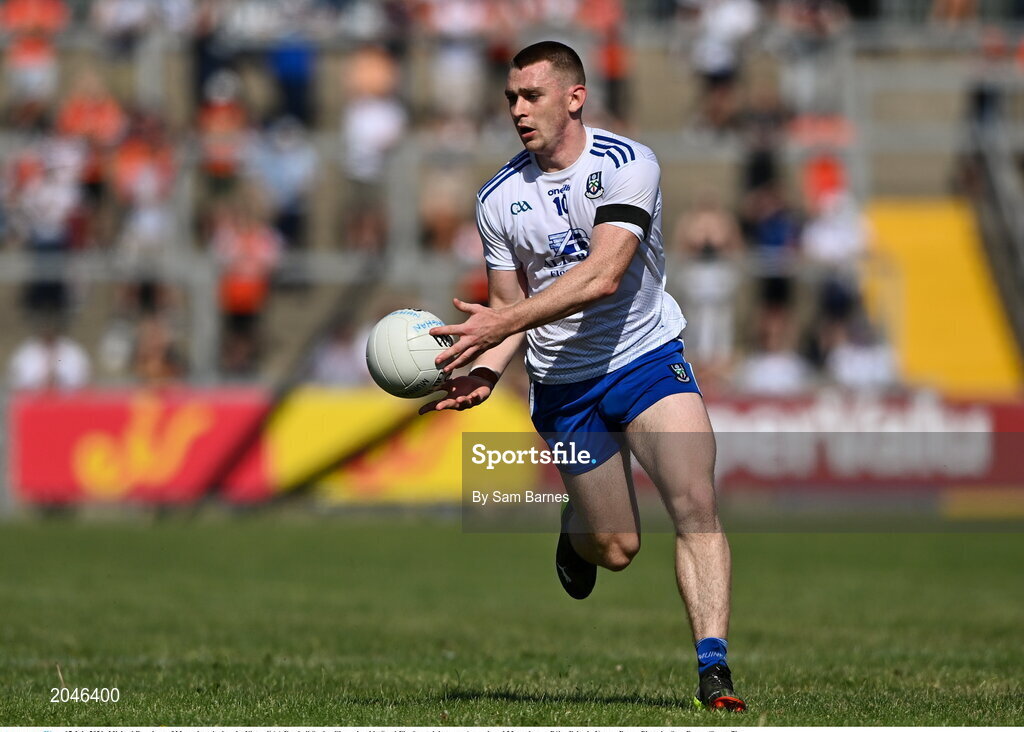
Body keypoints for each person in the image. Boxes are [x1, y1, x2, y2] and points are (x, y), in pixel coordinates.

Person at [420, 41, 746, 712]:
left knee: (695, 502)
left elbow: (604, 277)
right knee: (617, 546)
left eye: (531, 95)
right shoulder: (497, 198)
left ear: (575, 98)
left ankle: (714, 673)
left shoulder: (630, 164)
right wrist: (485, 369)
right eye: (510, 96)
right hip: (565, 384)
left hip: (647, 358)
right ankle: (578, 532)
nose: (516, 108)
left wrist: (497, 329)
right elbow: (507, 312)